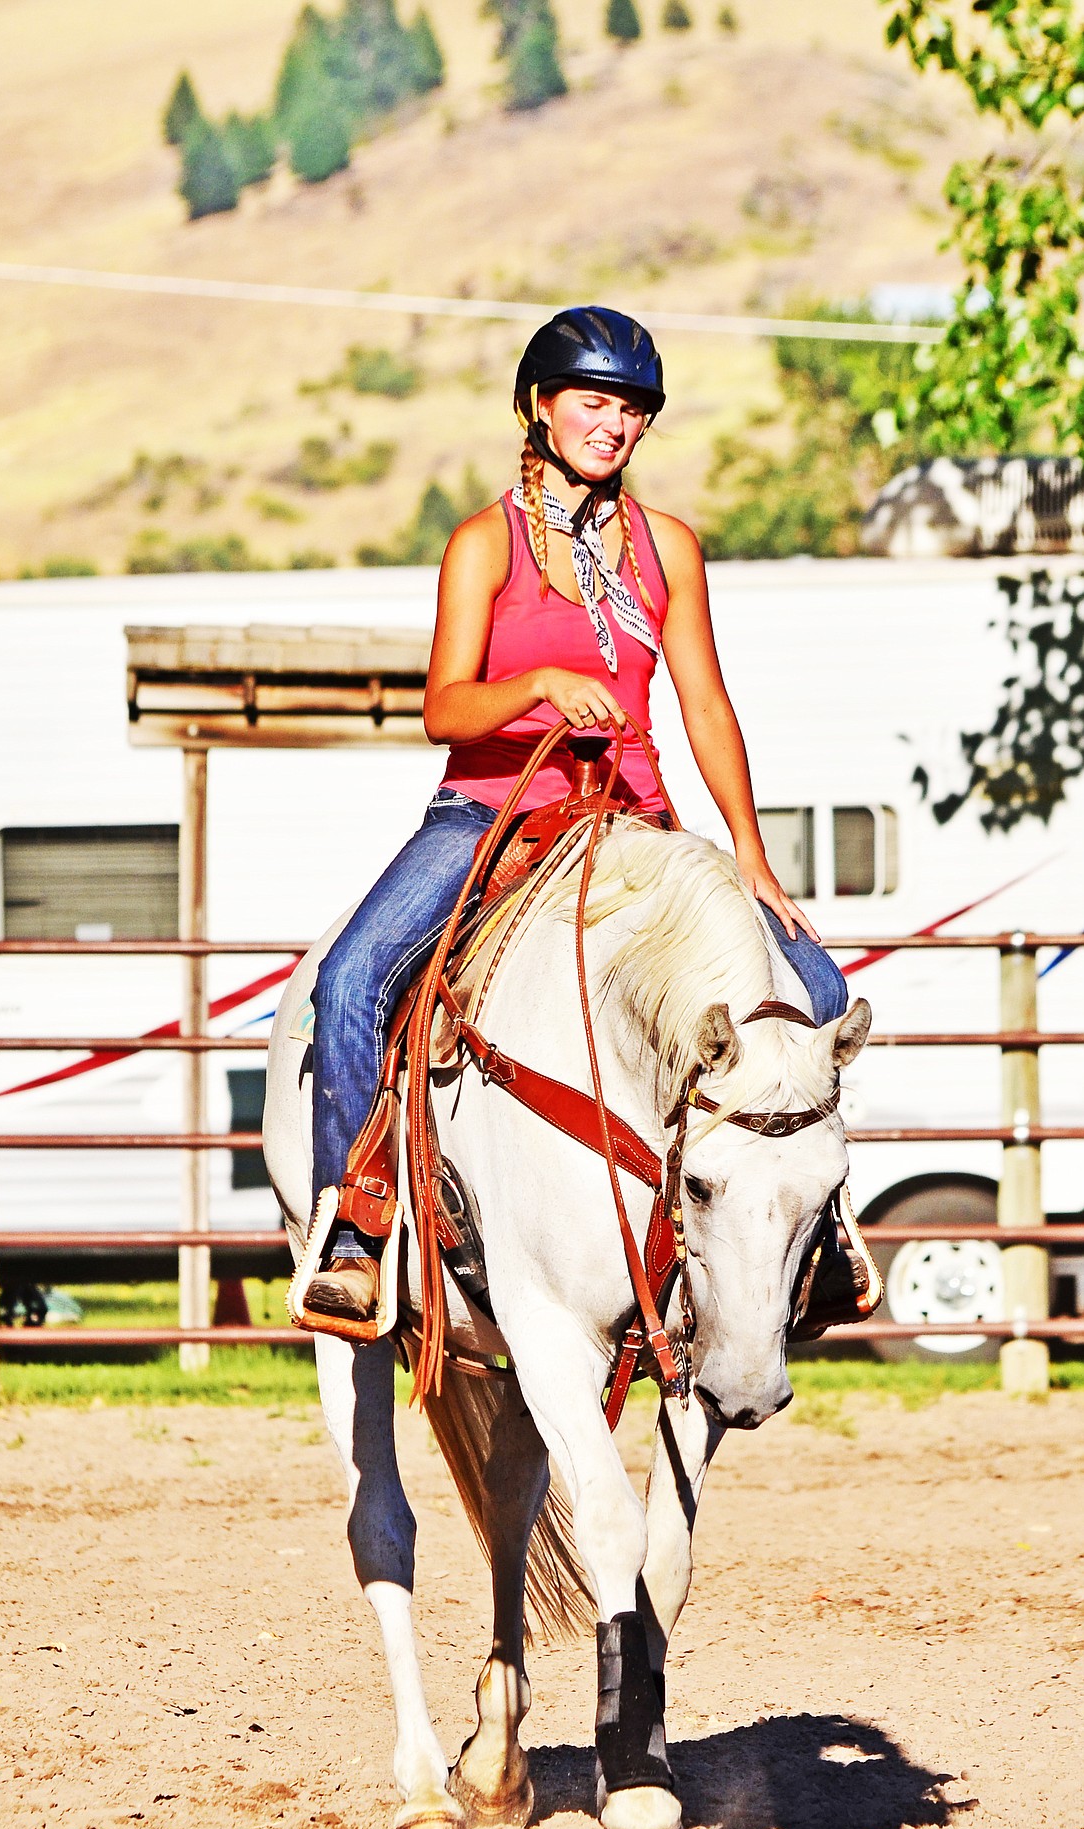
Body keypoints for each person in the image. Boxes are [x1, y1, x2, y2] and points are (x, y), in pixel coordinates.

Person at [305, 306, 848, 1322]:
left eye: (634, 410)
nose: (616, 425)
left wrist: (751, 858)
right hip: (491, 815)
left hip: (631, 822)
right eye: (595, 402)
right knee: (350, 980)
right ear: (539, 406)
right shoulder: (484, 544)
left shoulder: (667, 547)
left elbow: (703, 704)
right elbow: (443, 707)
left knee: (812, 984)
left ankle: (819, 1229)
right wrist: (541, 683)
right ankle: (359, 1223)